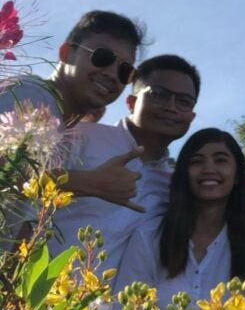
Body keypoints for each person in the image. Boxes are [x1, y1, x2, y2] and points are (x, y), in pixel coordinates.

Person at [49, 54, 199, 271]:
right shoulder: (81, 136)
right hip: (27, 284)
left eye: (183, 101)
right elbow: (18, 184)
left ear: (192, 116)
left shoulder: (173, 186)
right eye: (159, 95)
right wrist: (87, 182)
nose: (171, 107)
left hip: (107, 293)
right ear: (131, 102)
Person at [116, 129, 245, 310]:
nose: (209, 169)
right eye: (197, 161)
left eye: (221, 160)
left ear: (238, 175)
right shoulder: (151, 235)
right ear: (184, 173)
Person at [0, 9, 148, 210]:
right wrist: (93, 182)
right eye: (102, 57)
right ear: (66, 53)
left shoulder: (59, 120)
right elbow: (6, 173)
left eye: (125, 71)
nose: (113, 74)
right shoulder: (30, 94)